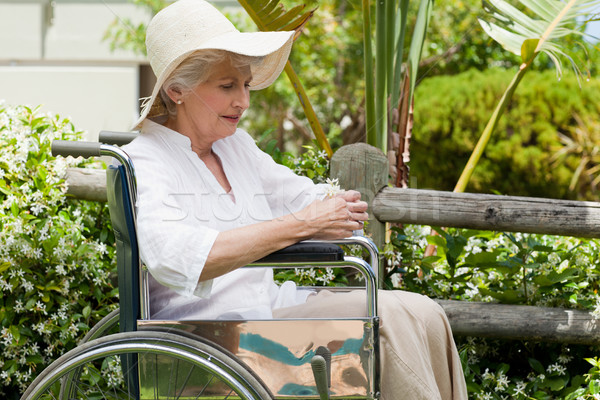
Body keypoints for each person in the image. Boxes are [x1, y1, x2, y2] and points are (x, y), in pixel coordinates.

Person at [124, 0, 468, 399]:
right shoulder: (146, 158)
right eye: (227, 87)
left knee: (423, 313)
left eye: (246, 85)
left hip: (268, 310)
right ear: (177, 91)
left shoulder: (236, 146)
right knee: (387, 320)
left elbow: (299, 196)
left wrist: (337, 205)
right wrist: (304, 224)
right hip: (208, 333)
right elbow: (175, 259)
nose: (244, 102)